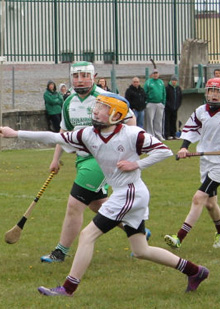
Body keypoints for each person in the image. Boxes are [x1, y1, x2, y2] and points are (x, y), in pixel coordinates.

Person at [0, 92, 209, 296]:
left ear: (116, 115)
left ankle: (67, 289)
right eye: (96, 106)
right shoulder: (87, 134)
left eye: (102, 108)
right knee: (141, 250)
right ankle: (195, 271)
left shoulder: (132, 134)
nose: (96, 111)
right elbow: (53, 136)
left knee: (87, 235)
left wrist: (136, 164)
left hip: (130, 194)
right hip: (126, 193)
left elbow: (164, 150)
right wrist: (15, 133)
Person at [39, 61, 143, 264]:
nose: (80, 80)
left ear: (93, 76)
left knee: (74, 204)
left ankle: (61, 251)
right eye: (76, 76)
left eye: (84, 75)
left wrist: (126, 146)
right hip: (82, 158)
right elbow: (64, 133)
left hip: (101, 159)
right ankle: (136, 228)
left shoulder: (105, 98)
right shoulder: (69, 102)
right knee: (97, 205)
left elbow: (130, 120)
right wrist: (55, 159)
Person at [164, 78, 220, 249]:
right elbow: (189, 130)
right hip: (206, 160)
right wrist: (184, 148)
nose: (214, 95)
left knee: (199, 197)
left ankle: (179, 237)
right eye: (211, 91)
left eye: (219, 92)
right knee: (210, 203)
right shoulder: (200, 111)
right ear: (206, 92)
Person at [144, 68, 166, 141]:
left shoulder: (161, 82)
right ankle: (151, 134)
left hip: (159, 103)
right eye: (154, 73)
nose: (155, 74)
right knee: (150, 119)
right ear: (152, 74)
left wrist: (163, 102)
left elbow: (164, 93)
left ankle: (158, 134)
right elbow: (145, 92)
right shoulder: (148, 82)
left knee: (158, 120)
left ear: (158, 74)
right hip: (151, 103)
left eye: (156, 73)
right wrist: (147, 101)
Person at [164, 75, 182, 140]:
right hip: (168, 108)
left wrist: (177, 105)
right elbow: (165, 98)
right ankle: (167, 135)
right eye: (173, 80)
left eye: (175, 80)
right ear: (171, 81)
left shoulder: (178, 88)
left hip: (175, 108)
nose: (174, 82)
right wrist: (168, 105)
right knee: (167, 121)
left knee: (174, 121)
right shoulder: (167, 88)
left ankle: (173, 134)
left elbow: (180, 98)